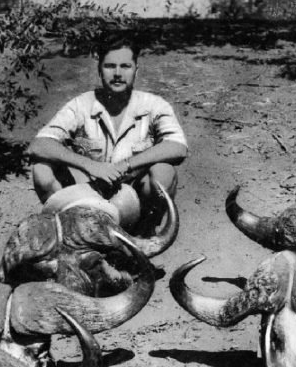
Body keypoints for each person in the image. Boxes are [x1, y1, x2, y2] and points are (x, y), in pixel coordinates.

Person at [27, 31, 187, 228]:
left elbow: (178, 147)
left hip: (134, 197)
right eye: (110, 66)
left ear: (136, 70)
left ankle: (143, 233)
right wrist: (90, 166)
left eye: (125, 66)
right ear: (99, 70)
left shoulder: (154, 105)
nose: (118, 73)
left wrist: (127, 165)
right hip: (88, 193)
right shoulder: (80, 105)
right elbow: (38, 145)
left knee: (163, 172)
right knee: (42, 170)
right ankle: (72, 231)